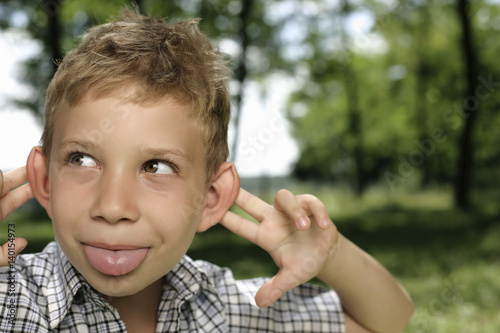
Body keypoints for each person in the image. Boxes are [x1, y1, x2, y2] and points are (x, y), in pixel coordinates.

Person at [0, 9, 413, 333]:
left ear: (210, 198)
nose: (112, 206)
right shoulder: (12, 301)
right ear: (45, 180)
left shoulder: (221, 307)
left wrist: (332, 256)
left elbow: (386, 322)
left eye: (156, 166)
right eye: (83, 160)